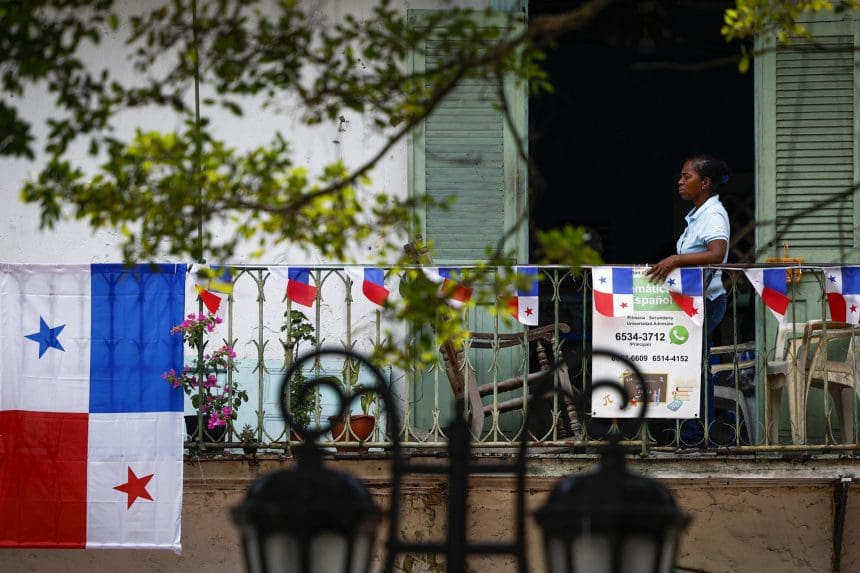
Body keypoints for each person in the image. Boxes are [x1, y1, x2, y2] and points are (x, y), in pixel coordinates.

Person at [646, 154, 731, 447]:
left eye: (687, 177)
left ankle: (699, 436)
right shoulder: (698, 214)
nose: (680, 182)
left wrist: (675, 259)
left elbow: (717, 253)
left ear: (705, 183)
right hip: (692, 301)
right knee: (686, 363)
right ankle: (687, 433)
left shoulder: (713, 214)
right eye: (681, 177)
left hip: (707, 301)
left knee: (695, 365)